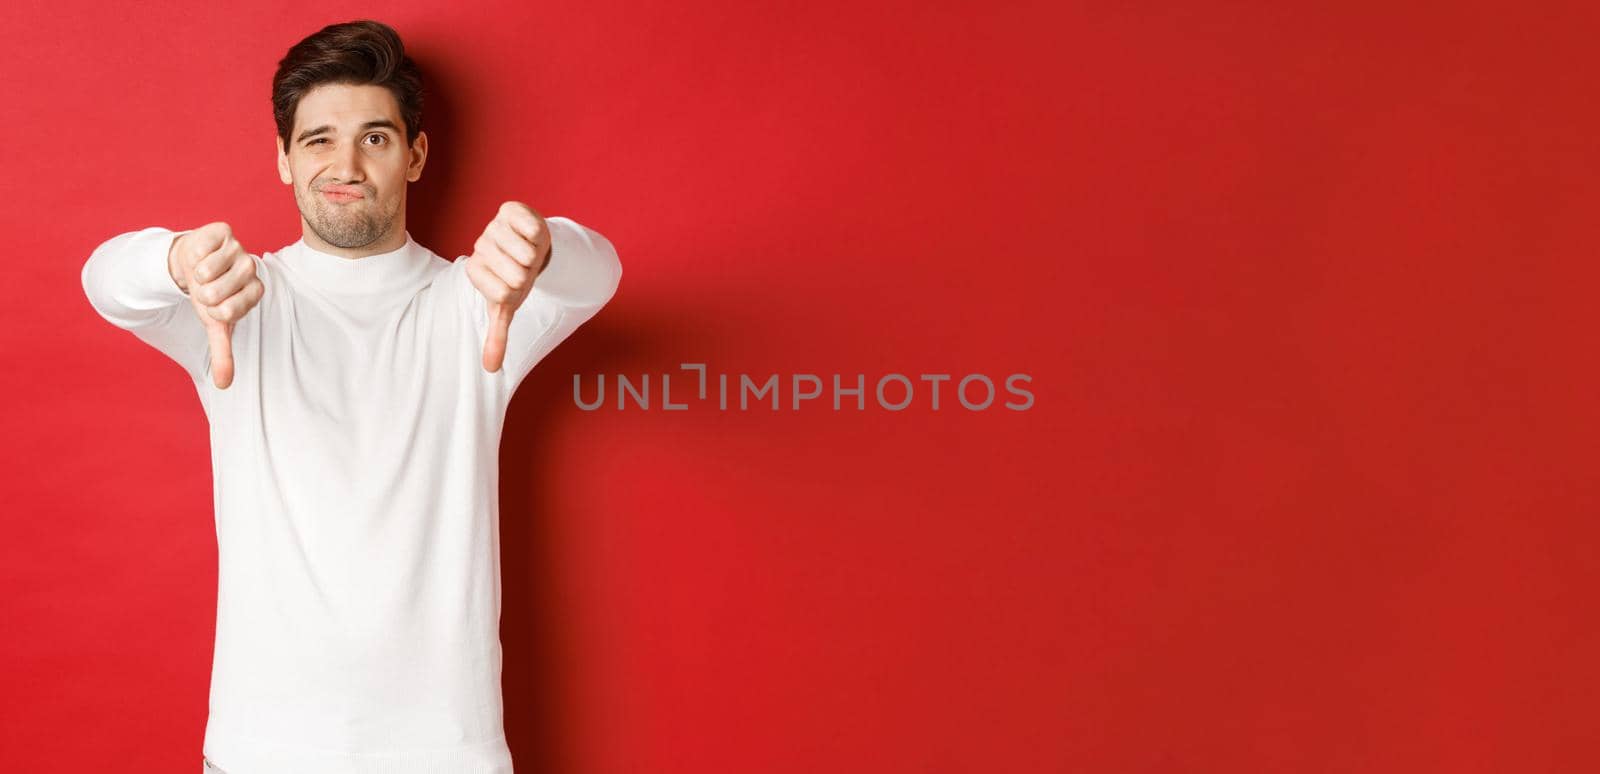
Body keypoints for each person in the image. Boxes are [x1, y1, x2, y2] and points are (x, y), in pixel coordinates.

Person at [80, 19, 622, 774]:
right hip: (259, 751)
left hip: (448, 753)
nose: (345, 163)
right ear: (282, 158)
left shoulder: (476, 300)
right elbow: (104, 280)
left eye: (374, 137)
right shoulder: (234, 299)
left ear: (415, 155)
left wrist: (544, 245)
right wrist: (172, 260)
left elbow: (600, 276)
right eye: (318, 139)